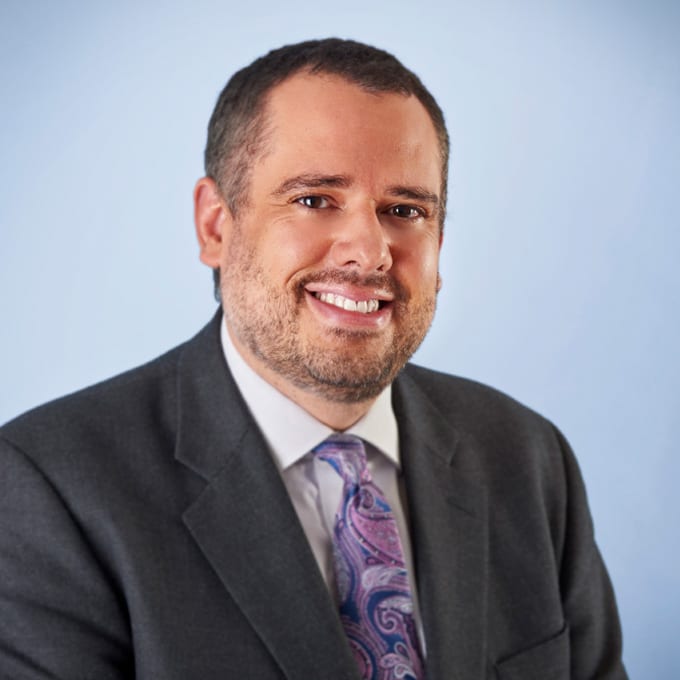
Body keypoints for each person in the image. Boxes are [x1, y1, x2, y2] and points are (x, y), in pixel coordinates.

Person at [0, 38, 627, 680]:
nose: (370, 252)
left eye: (405, 210)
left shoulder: (527, 458)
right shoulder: (50, 490)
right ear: (216, 225)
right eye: (315, 200)